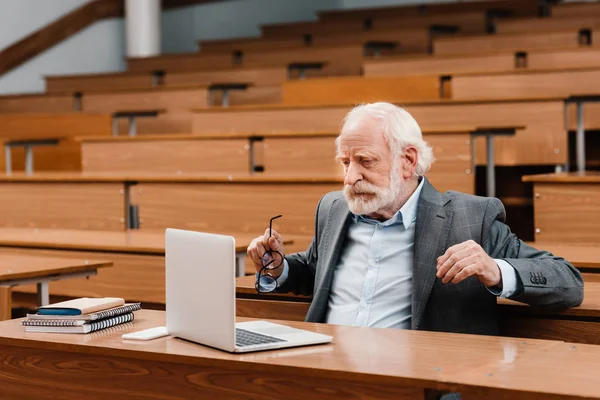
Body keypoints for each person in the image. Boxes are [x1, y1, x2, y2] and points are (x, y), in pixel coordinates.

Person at [247, 102, 584, 336]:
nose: (350, 178)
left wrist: (494, 270)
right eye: (345, 162)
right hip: (324, 372)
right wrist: (279, 268)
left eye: (365, 161)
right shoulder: (334, 208)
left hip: (416, 382)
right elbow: (315, 270)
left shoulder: (470, 217)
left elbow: (568, 281)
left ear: (407, 161)